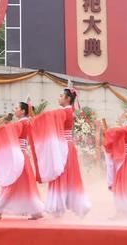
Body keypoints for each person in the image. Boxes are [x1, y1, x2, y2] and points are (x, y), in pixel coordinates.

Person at [29, 88, 91, 217]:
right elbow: (49, 118)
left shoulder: (65, 111)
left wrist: (32, 114)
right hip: (66, 146)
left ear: (68, 99)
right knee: (69, 177)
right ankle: (71, 205)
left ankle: (59, 207)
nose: (58, 97)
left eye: (61, 96)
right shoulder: (68, 111)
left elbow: (48, 118)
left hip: (64, 147)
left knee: (60, 175)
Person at [0, 101, 44, 220]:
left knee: (11, 185)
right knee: (26, 187)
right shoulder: (26, 122)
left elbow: (7, 133)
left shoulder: (21, 123)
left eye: (17, 108)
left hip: (19, 158)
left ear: (23, 111)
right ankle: (36, 211)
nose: (14, 109)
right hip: (23, 158)